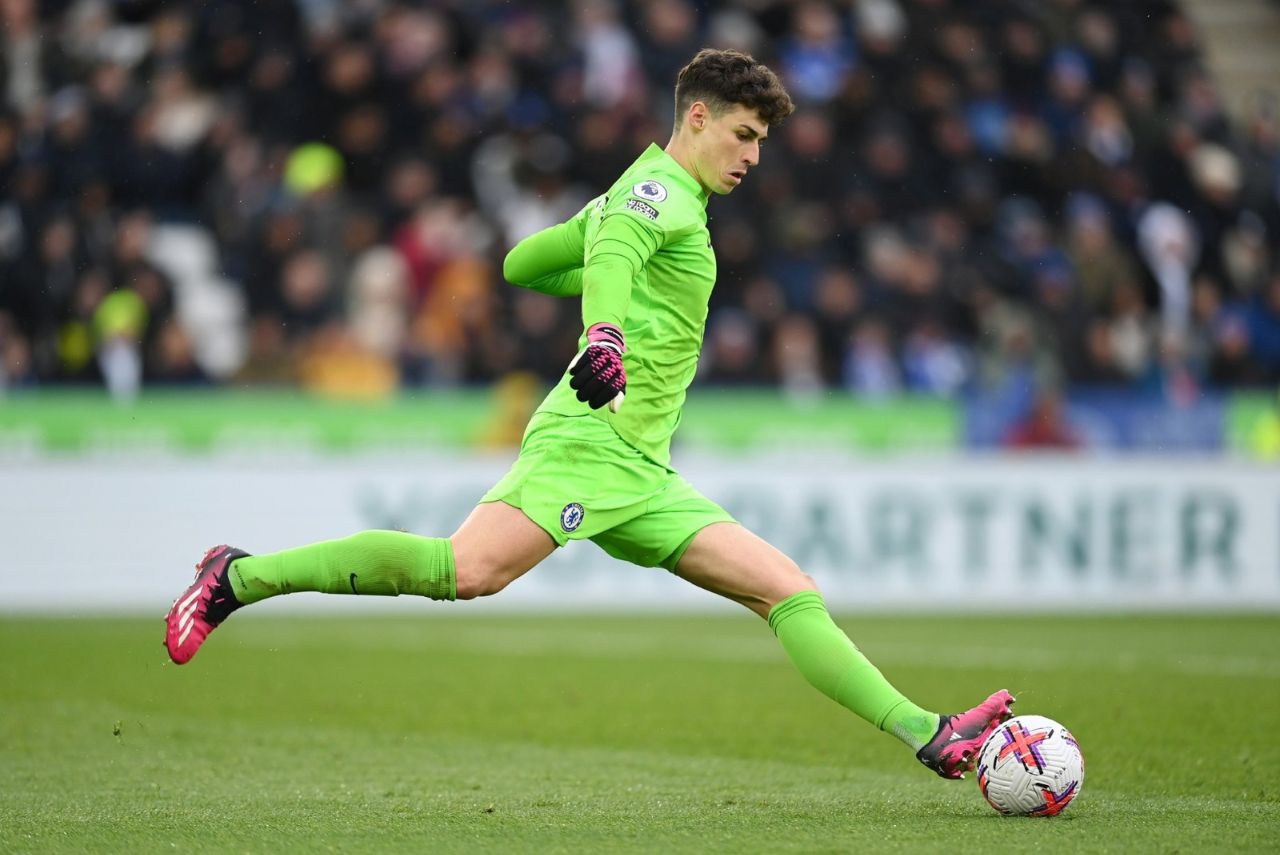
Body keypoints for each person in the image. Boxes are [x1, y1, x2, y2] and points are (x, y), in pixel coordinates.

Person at [164, 49, 1012, 780]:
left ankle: (930, 733)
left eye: (762, 141)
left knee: (788, 590)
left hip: (642, 468)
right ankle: (237, 577)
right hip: (590, 441)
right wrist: (605, 325)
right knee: (464, 570)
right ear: (698, 116)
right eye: (745, 134)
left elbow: (523, 263)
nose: (754, 156)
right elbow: (606, 263)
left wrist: (609, 257)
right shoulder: (662, 193)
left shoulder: (633, 197)